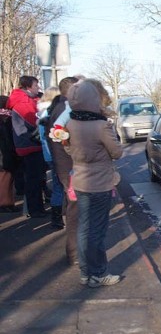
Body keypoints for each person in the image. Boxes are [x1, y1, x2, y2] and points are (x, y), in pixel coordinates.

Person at [67, 79, 123, 287]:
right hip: (99, 184)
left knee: (83, 229)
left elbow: (67, 149)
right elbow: (117, 152)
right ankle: (99, 273)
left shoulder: (70, 124)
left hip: (80, 182)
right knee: (97, 231)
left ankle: (85, 273)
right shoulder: (101, 126)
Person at [46, 76, 81, 264]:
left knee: (73, 208)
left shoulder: (59, 108)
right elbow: (66, 141)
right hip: (71, 167)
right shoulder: (65, 110)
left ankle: (75, 251)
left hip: (66, 166)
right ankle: (75, 253)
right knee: (75, 209)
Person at [6, 75, 48, 218]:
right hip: (29, 144)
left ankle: (37, 208)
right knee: (33, 179)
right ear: (28, 87)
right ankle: (35, 209)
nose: (38, 88)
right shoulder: (22, 102)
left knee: (36, 178)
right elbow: (34, 121)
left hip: (29, 143)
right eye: (36, 86)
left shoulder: (27, 100)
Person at [37, 86, 65, 229]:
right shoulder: (53, 113)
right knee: (61, 186)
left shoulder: (42, 113)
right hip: (56, 155)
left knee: (57, 186)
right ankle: (58, 218)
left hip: (49, 155)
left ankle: (57, 218)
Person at [0, 95, 19, 212]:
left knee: (7, 179)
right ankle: (5, 203)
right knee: (5, 179)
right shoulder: (5, 118)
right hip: (4, 154)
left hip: (5, 153)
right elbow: (6, 139)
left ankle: (8, 202)